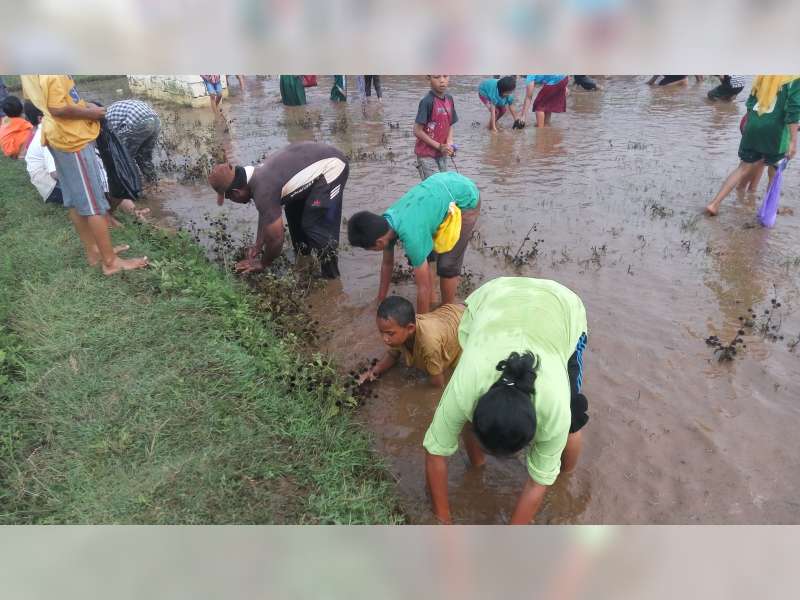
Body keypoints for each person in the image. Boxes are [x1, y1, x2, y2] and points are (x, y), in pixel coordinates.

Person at [423, 277, 589, 525]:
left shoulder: (554, 409)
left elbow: (537, 483)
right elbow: (434, 452)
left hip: (561, 305)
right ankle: (476, 466)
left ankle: (565, 475)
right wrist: (443, 522)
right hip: (497, 296)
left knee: (571, 425)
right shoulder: (467, 384)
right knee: (463, 414)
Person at [20, 75, 148, 274]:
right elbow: (57, 108)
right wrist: (91, 112)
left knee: (75, 200)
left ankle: (94, 252)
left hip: (58, 135)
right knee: (94, 203)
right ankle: (110, 262)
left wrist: (81, 104)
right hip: (73, 140)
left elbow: (49, 101)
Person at [207, 141, 349, 278]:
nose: (232, 201)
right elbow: (266, 214)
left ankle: (331, 276)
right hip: (313, 163)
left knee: (314, 225)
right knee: (292, 212)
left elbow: (276, 239)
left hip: (333, 167)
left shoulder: (263, 189)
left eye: (229, 197)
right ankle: (304, 257)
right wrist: (258, 245)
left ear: (237, 192)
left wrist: (263, 263)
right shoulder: (254, 176)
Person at [347, 171, 480, 314]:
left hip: (465, 198)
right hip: (439, 187)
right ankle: (433, 300)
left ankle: (447, 313)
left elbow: (423, 288)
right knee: (424, 256)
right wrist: (380, 299)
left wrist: (422, 323)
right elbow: (387, 264)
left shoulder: (410, 234)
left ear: (379, 243)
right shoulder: (386, 223)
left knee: (447, 265)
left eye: (371, 249)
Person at [706, 75, 800, 216]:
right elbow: (793, 110)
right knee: (774, 173)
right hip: (776, 130)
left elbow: (750, 103)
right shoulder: (794, 78)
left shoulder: (763, 76)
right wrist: (793, 141)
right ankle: (768, 211)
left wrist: (753, 124)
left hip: (752, 124)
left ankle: (714, 204)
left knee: (743, 167)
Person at [358, 296, 465, 388]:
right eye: (381, 332)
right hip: (445, 317)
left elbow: (438, 382)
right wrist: (375, 371)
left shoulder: (429, 344)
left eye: (390, 334)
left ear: (410, 328)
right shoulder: (400, 331)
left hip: (463, 319)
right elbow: (393, 355)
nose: (384, 339)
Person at [105, 99, 161, 182]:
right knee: (144, 157)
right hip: (156, 121)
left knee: (125, 157)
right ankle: (153, 182)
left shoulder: (105, 119)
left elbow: (114, 140)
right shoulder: (112, 109)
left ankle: (134, 184)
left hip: (139, 121)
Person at [414, 75, 458, 180]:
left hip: (442, 153)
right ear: (428, 77)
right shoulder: (427, 102)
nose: (442, 81)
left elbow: (450, 123)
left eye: (445, 76)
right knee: (434, 185)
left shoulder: (449, 99)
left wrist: (450, 142)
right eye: (437, 77)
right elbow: (417, 130)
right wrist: (439, 146)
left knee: (443, 183)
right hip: (426, 154)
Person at [23, 100, 62, 204]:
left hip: (46, 182)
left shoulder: (42, 131)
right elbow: (54, 173)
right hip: (52, 188)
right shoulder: (46, 135)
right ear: (41, 118)